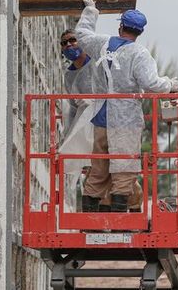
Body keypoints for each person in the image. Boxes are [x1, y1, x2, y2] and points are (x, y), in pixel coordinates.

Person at [75, 0, 178, 213]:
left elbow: (82, 35)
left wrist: (91, 10)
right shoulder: (139, 54)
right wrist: (170, 83)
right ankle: (118, 218)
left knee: (99, 165)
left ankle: (91, 219)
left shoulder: (102, 43)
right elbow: (152, 84)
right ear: (139, 32)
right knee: (124, 166)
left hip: (100, 116)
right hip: (125, 120)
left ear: (121, 26)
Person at [60, 29, 143, 213]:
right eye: (65, 43)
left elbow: (109, 86)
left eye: (73, 40)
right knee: (100, 170)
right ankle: (102, 217)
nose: (69, 45)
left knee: (120, 170)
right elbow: (73, 109)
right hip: (93, 125)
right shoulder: (70, 75)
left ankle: (128, 212)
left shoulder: (97, 63)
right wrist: (69, 135)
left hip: (114, 120)